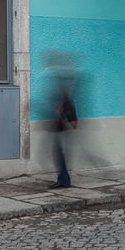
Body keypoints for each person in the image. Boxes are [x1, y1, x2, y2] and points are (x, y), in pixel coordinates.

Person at [44, 53, 79, 189]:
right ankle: (63, 178)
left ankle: (64, 180)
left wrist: (64, 120)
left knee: (60, 154)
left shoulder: (65, 98)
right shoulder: (61, 94)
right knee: (58, 154)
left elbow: (73, 120)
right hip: (58, 129)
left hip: (62, 130)